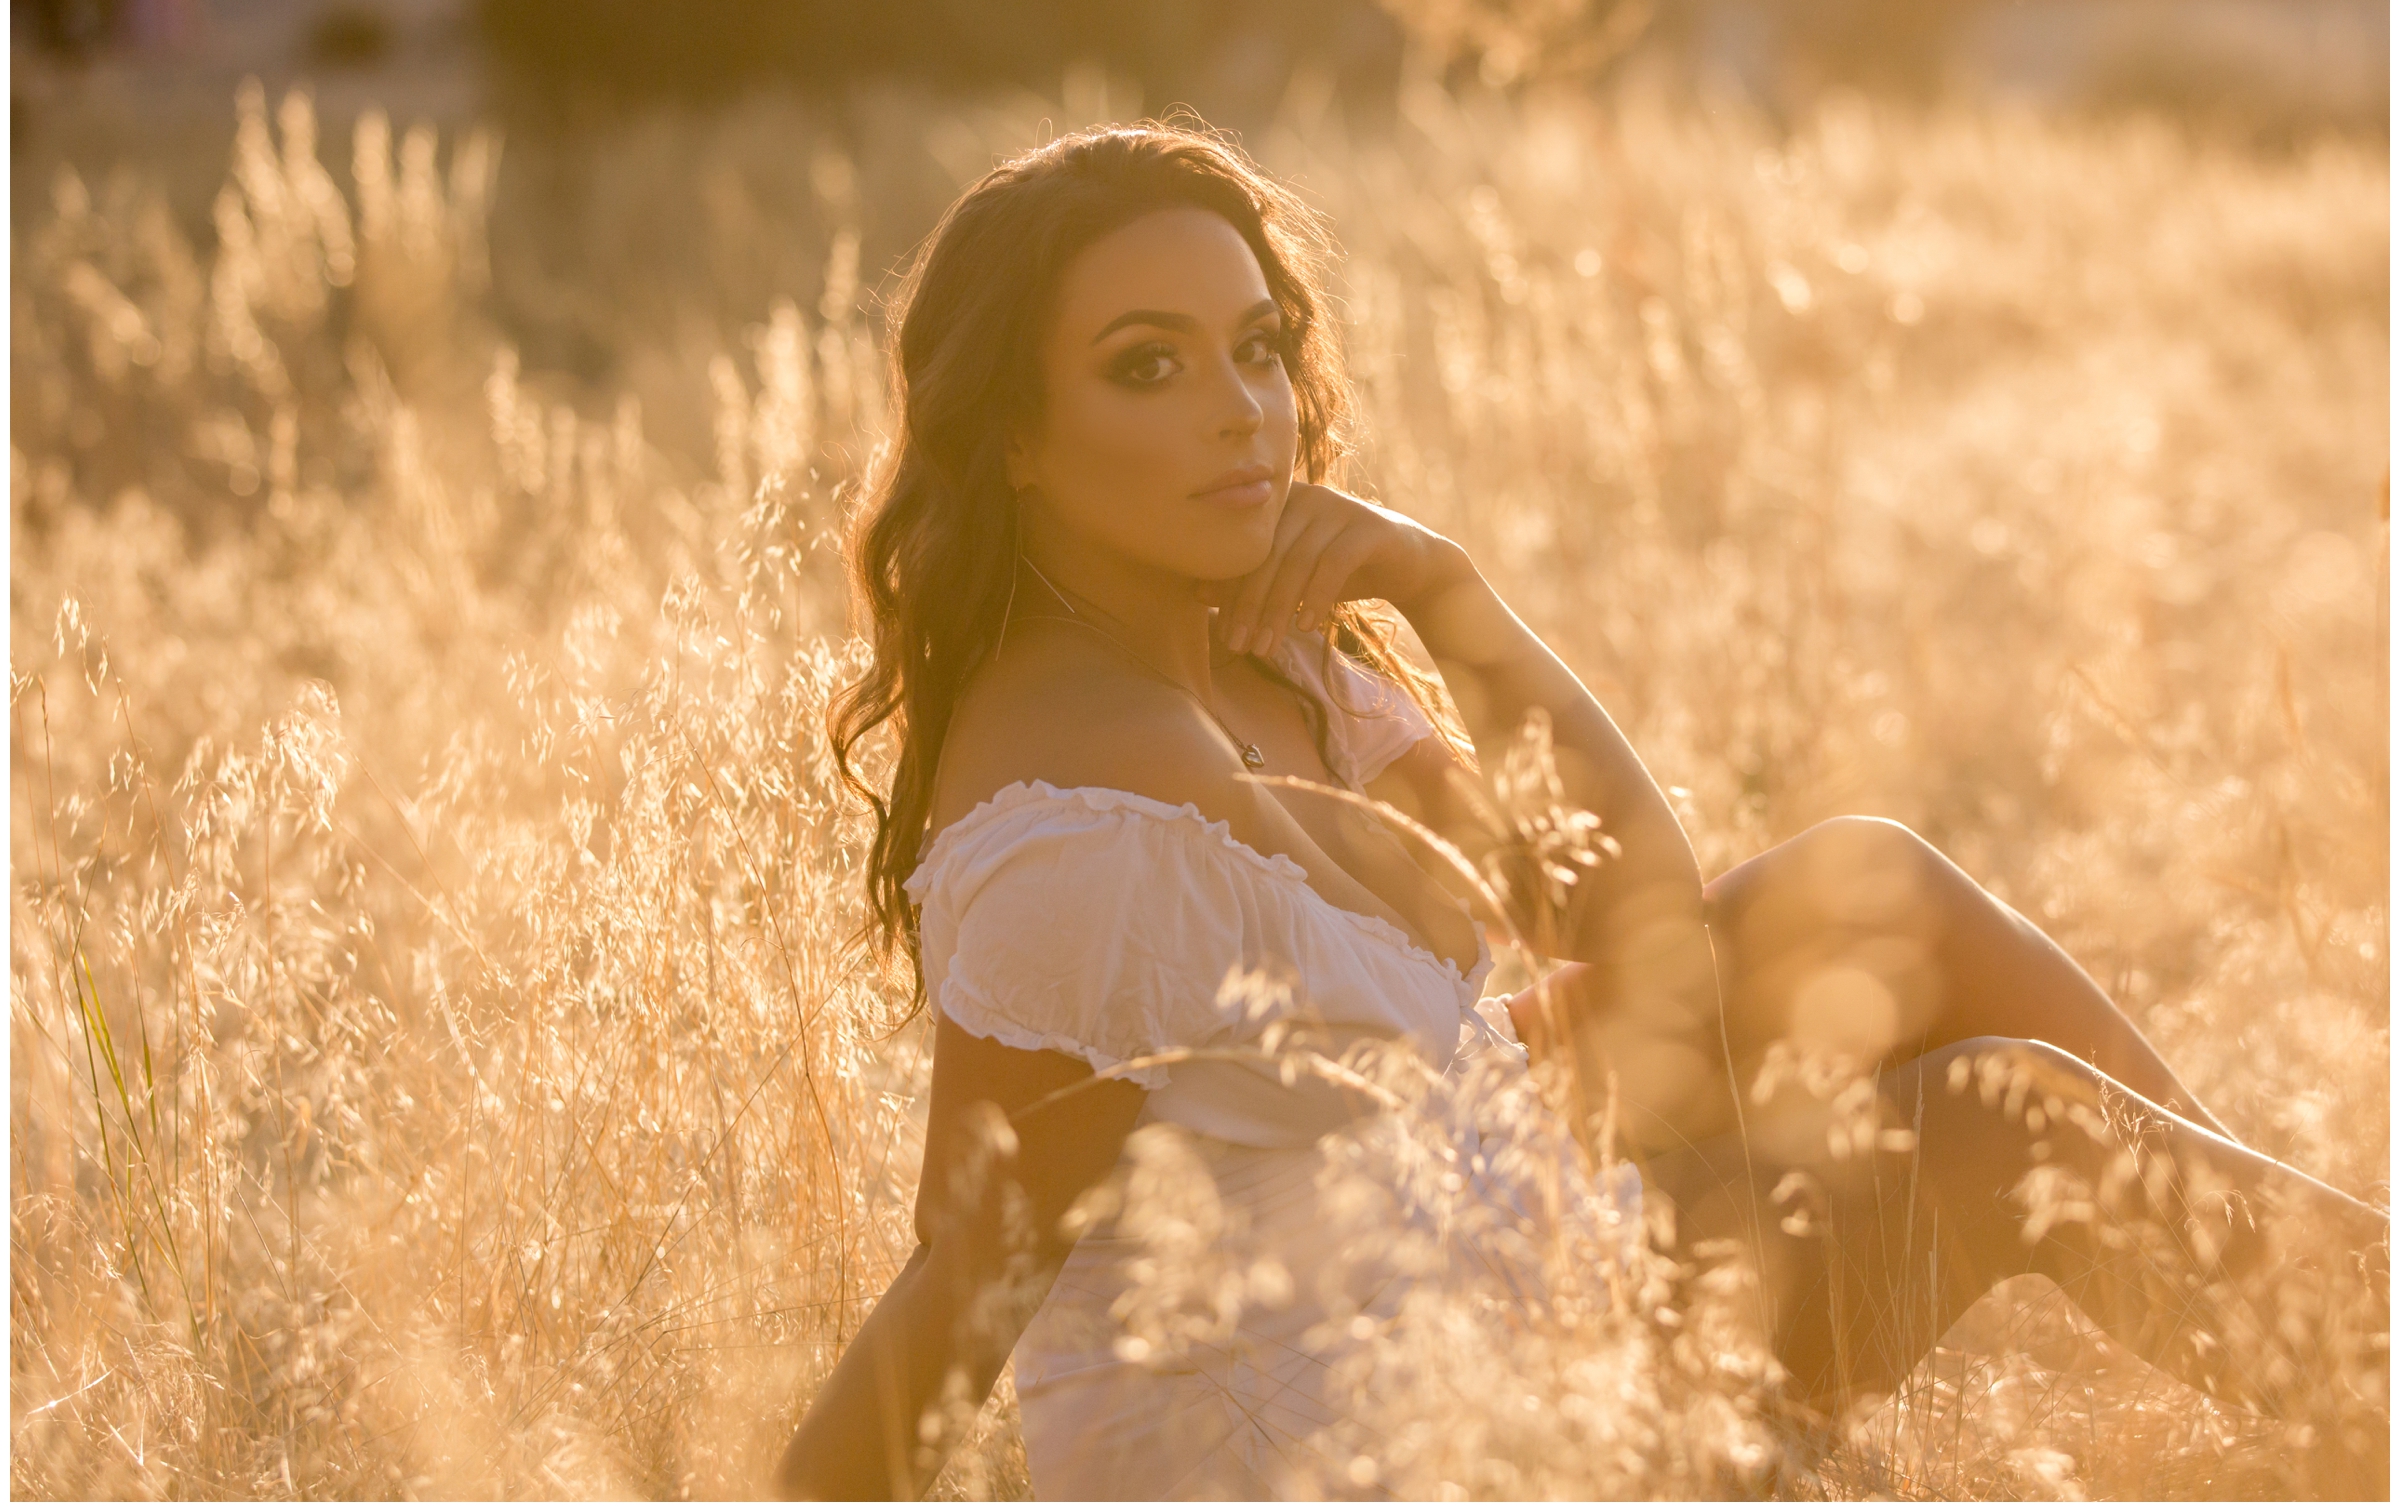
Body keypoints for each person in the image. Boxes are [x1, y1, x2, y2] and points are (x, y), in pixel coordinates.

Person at [774, 121, 2387, 1498]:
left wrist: (1451, 594)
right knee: (2013, 1120)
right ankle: (2344, 1364)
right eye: (1149, 365)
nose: (1242, 408)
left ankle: (2334, 1354)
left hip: (1477, 1203)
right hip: (1403, 1414)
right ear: (1015, 446)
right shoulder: (1075, 812)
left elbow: (1641, 933)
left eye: (1259, 345)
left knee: (1864, 889)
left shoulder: (1269, 661)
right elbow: (970, 1245)